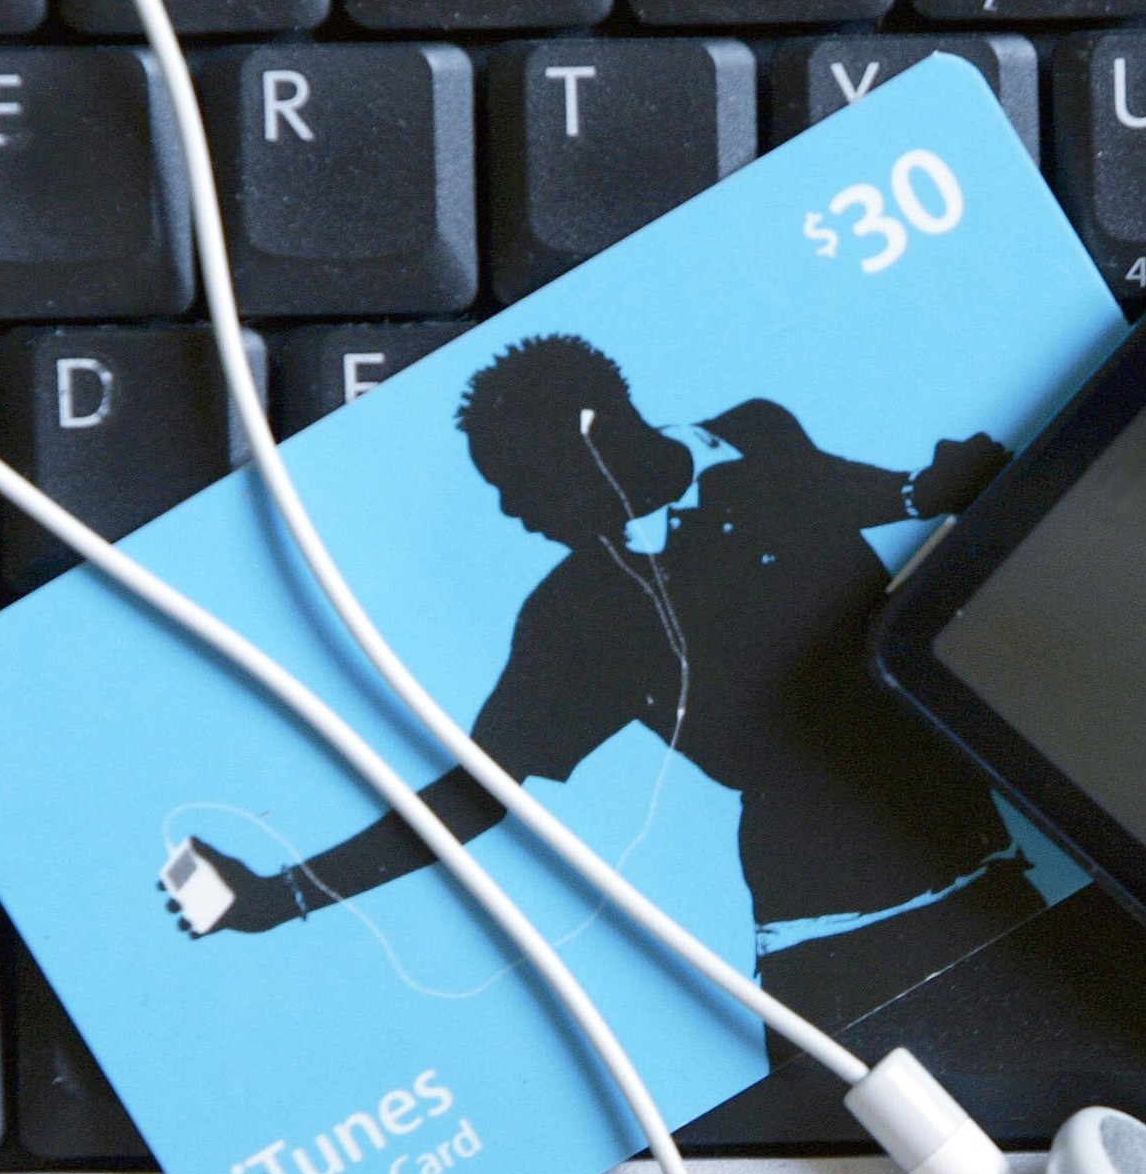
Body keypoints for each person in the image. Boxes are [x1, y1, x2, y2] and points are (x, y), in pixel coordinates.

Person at [172, 332, 1035, 1039]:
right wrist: (278, 899)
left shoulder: (756, 436)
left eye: (521, 484)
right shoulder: (573, 616)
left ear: (593, 431)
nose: (515, 513)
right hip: (833, 945)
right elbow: (474, 796)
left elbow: (874, 493)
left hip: (986, 867)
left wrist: (942, 486)